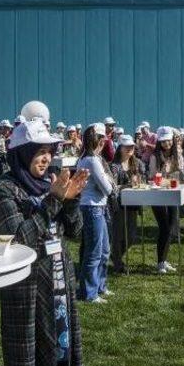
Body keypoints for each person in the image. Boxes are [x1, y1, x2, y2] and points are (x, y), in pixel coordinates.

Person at [0, 119, 88, 366]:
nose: (45, 158)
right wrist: (54, 200)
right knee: (29, 357)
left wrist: (72, 201)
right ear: (22, 153)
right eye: (39, 152)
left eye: (48, 152)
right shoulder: (3, 189)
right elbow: (20, 238)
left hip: (59, 281)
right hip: (27, 290)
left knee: (61, 355)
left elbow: (74, 231)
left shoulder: (49, 184)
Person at [77, 123, 116, 303]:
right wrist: (109, 180)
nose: (104, 143)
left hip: (96, 207)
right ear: (97, 140)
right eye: (102, 139)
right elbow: (107, 188)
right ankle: (89, 292)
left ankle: (99, 286)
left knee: (104, 250)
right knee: (94, 252)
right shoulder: (92, 161)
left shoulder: (89, 159)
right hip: (93, 208)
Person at [149, 126, 184, 274]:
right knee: (164, 227)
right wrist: (169, 178)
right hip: (157, 196)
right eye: (163, 142)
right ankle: (160, 262)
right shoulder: (154, 157)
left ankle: (163, 260)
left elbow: (181, 175)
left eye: (168, 141)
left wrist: (169, 178)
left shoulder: (178, 155)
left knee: (171, 227)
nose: (166, 144)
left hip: (173, 194)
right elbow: (153, 178)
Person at [110, 135, 145, 274]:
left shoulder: (137, 163)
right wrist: (128, 185)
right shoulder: (114, 166)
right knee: (118, 234)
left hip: (133, 203)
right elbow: (113, 187)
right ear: (120, 148)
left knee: (131, 236)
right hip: (119, 204)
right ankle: (118, 263)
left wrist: (140, 181)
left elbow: (144, 179)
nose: (130, 149)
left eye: (132, 146)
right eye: (127, 146)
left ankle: (115, 255)